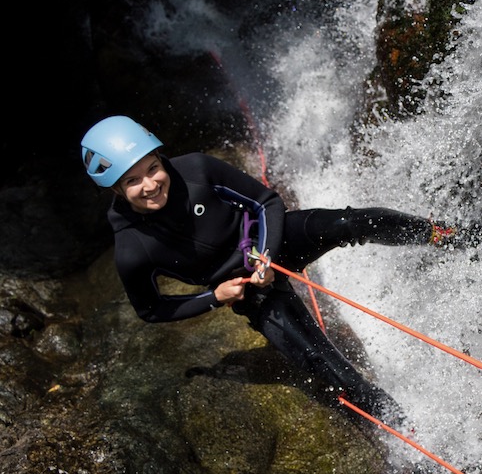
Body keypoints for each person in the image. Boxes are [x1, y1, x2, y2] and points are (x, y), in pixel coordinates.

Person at [81, 115, 456, 423]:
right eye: (132, 181)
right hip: (248, 289)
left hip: (270, 240)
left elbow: (266, 202)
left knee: (348, 223)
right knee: (318, 358)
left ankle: (441, 234)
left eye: (153, 167)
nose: (150, 184)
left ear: (161, 158)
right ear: (114, 189)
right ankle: (399, 423)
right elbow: (150, 309)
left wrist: (265, 253)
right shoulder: (132, 249)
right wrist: (216, 297)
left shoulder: (196, 168)